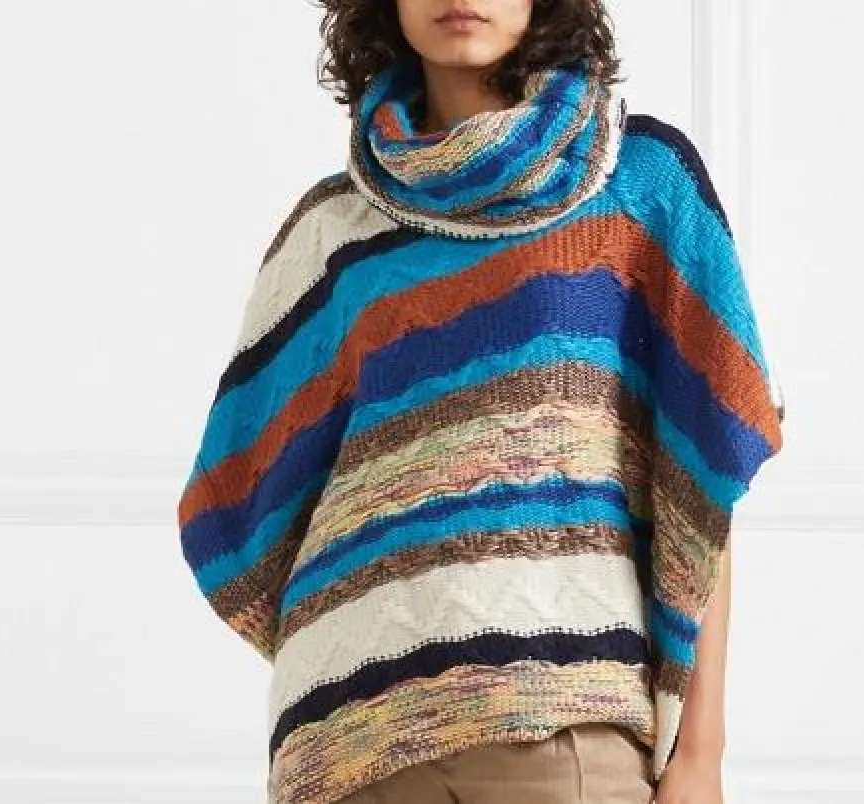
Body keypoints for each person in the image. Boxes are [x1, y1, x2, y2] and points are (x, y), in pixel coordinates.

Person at [176, 1, 786, 802]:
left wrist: (701, 755)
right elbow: (236, 507)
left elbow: (702, 475)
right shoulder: (332, 230)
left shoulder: (637, 181)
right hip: (353, 744)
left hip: (563, 719)